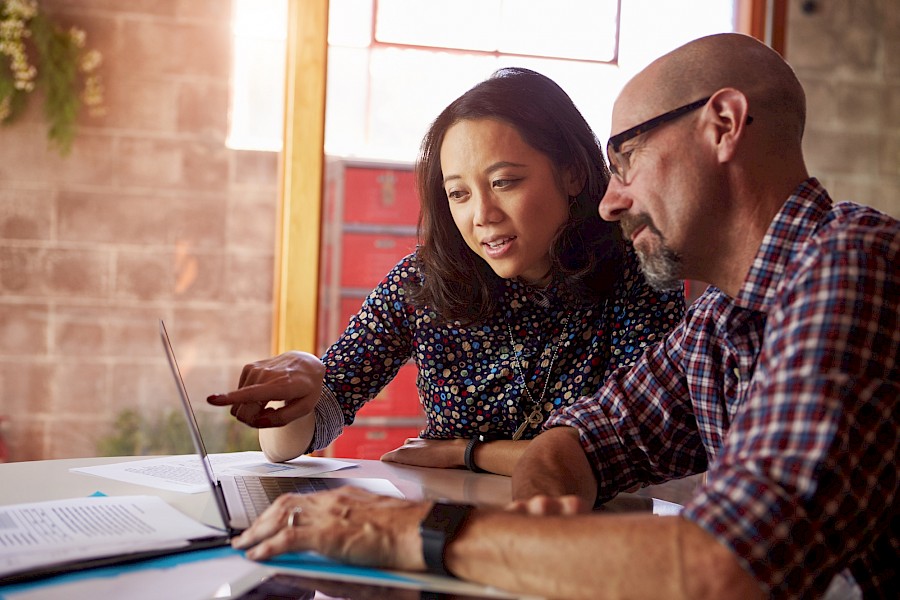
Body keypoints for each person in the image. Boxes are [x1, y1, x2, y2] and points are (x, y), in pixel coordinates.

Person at [224, 33, 898, 600]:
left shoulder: (850, 264)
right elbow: (585, 438)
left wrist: (410, 530)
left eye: (626, 158)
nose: (613, 200)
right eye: (458, 192)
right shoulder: (722, 316)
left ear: (722, 125)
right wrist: (537, 533)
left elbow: (728, 565)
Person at [208, 67, 684, 476]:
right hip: (449, 536)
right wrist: (306, 380)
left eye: (504, 182)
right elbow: (294, 441)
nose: (483, 215)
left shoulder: (637, 273)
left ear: (573, 174)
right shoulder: (424, 281)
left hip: (588, 542)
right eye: (459, 193)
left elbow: (633, 448)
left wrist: (469, 454)